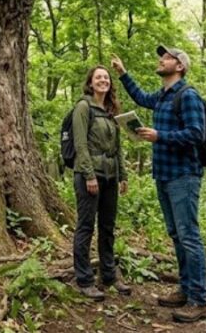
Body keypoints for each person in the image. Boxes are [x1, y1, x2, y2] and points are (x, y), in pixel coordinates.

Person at [111, 47, 206, 323]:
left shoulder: (187, 95)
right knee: (177, 236)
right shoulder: (164, 96)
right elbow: (142, 98)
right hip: (164, 176)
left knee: (189, 236)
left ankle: (200, 300)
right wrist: (123, 74)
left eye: (166, 57)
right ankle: (185, 288)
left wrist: (159, 136)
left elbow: (196, 133)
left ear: (179, 66)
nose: (161, 59)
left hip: (184, 176)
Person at [71, 65, 131, 300]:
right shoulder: (83, 107)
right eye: (98, 77)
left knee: (107, 227)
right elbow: (80, 144)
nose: (103, 80)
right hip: (89, 176)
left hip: (110, 176)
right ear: (90, 82)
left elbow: (118, 148)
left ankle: (109, 276)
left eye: (106, 77)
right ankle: (84, 279)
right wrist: (89, 175)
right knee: (86, 226)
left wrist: (123, 175)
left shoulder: (111, 111)